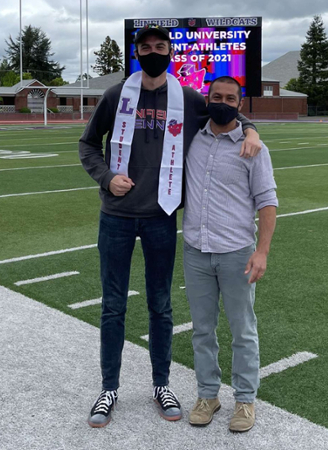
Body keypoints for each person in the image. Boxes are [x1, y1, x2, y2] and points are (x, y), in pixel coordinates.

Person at [78, 25, 261, 428]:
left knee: (161, 305)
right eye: (146, 47)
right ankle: (109, 388)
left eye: (160, 47)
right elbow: (88, 144)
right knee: (113, 305)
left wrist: (251, 129)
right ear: (137, 52)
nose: (153, 52)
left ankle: (161, 383)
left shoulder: (188, 97)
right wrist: (106, 177)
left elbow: (228, 109)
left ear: (170, 52)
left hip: (162, 216)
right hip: (117, 217)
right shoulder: (116, 95)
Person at [182, 76, 278, 432]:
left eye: (229, 98)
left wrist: (262, 252)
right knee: (202, 330)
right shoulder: (191, 139)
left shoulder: (255, 149)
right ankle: (208, 394)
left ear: (240, 105)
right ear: (207, 99)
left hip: (237, 253)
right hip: (196, 251)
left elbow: (267, 202)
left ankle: (244, 401)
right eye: (216, 96)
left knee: (243, 331)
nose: (221, 101)